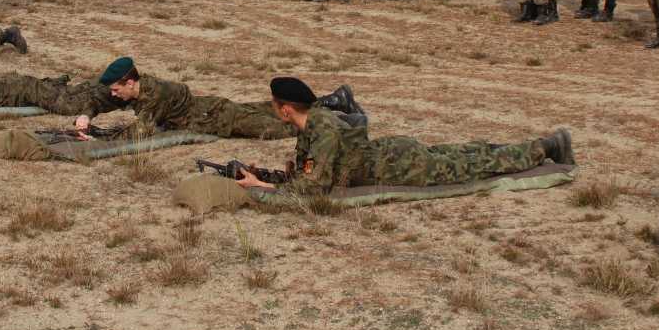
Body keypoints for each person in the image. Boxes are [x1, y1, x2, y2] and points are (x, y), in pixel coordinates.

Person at [233, 77, 573, 196]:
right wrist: (265, 176)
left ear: (286, 110)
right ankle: (542, 145)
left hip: (403, 167)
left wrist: (263, 188)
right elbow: (310, 171)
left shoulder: (321, 128)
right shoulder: (313, 124)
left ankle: (547, 147)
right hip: (395, 155)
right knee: (468, 153)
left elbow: (314, 185)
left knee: (478, 164)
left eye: (275, 106)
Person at [80, 58, 363, 141]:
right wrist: (87, 115)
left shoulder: (154, 94)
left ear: (129, 82)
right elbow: (103, 99)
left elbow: (140, 131)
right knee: (271, 109)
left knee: (280, 128)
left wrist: (100, 139)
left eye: (116, 89)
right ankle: (333, 100)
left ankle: (340, 123)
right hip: (213, 110)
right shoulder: (136, 89)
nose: (114, 94)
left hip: (218, 118)